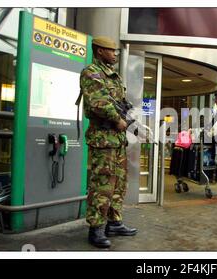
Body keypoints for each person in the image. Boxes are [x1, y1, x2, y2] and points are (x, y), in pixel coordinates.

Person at [80, 36, 137, 248]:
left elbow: (120, 102)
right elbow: (98, 103)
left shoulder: (114, 76)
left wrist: (128, 114)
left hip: (117, 140)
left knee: (119, 183)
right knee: (102, 185)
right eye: (111, 51)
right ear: (100, 51)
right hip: (103, 140)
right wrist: (118, 119)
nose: (114, 54)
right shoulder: (91, 72)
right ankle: (95, 229)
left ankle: (114, 222)